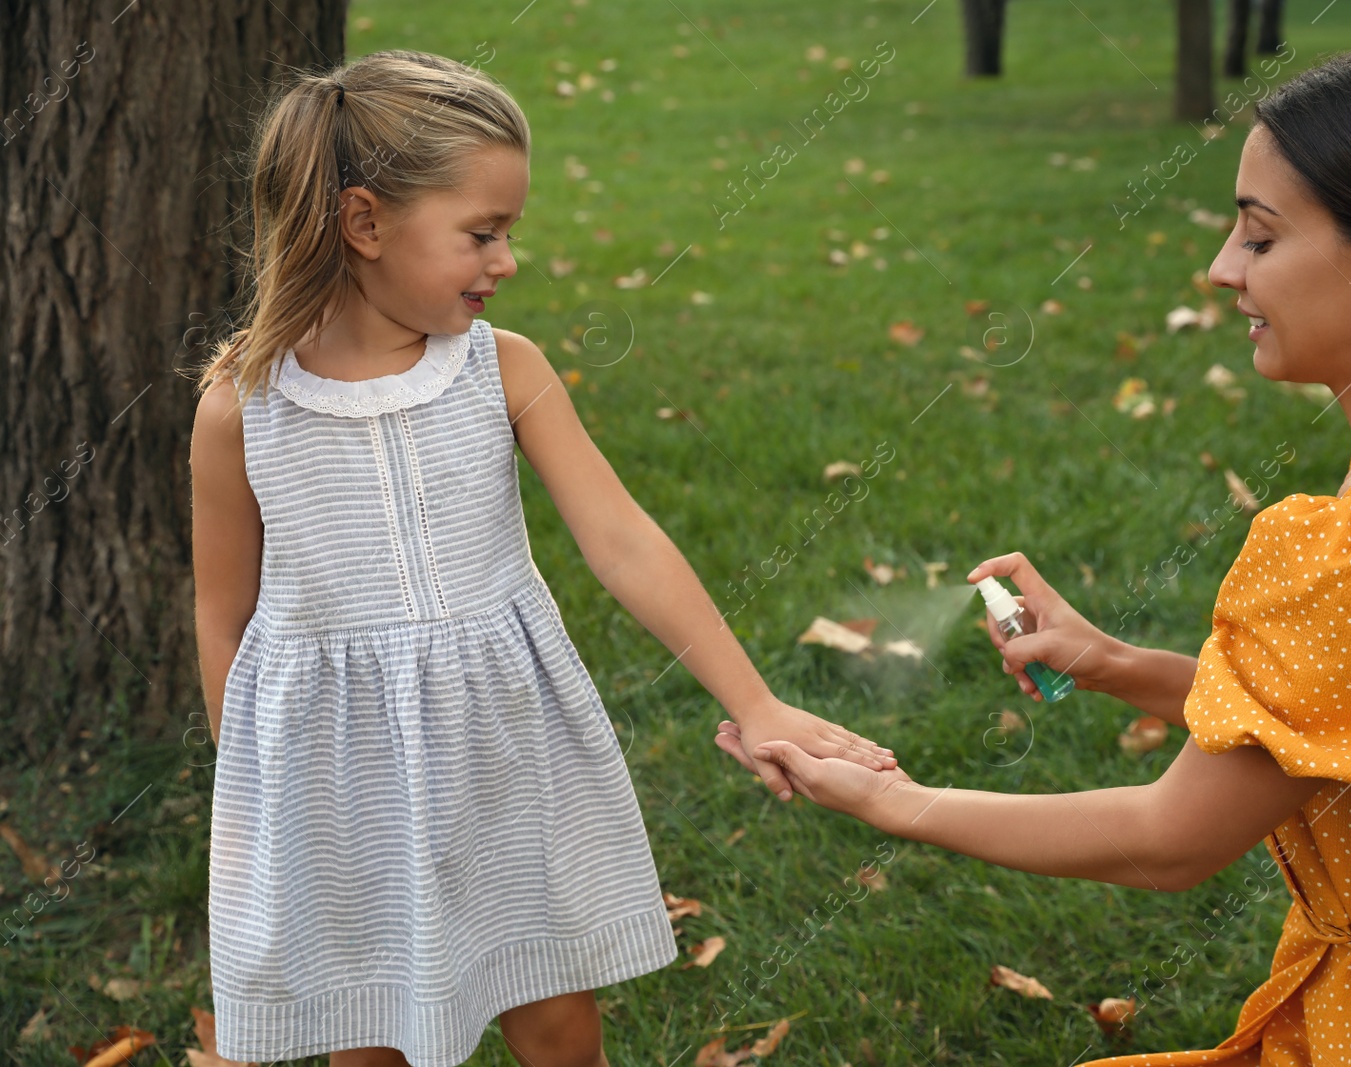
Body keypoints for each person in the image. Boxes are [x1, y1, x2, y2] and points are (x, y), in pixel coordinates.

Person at [715, 44, 1351, 1065]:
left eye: (1259, 236)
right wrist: (1113, 664)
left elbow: (1170, 837)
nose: (1222, 266)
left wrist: (891, 799)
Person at [187, 50, 895, 1067]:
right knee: (370, 1040)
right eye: (483, 233)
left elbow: (622, 539)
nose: (506, 261)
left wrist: (760, 701)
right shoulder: (238, 410)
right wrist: (254, 793)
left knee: (559, 1022)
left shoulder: (498, 369)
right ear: (364, 223)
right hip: (341, 788)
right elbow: (224, 613)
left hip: (503, 751)